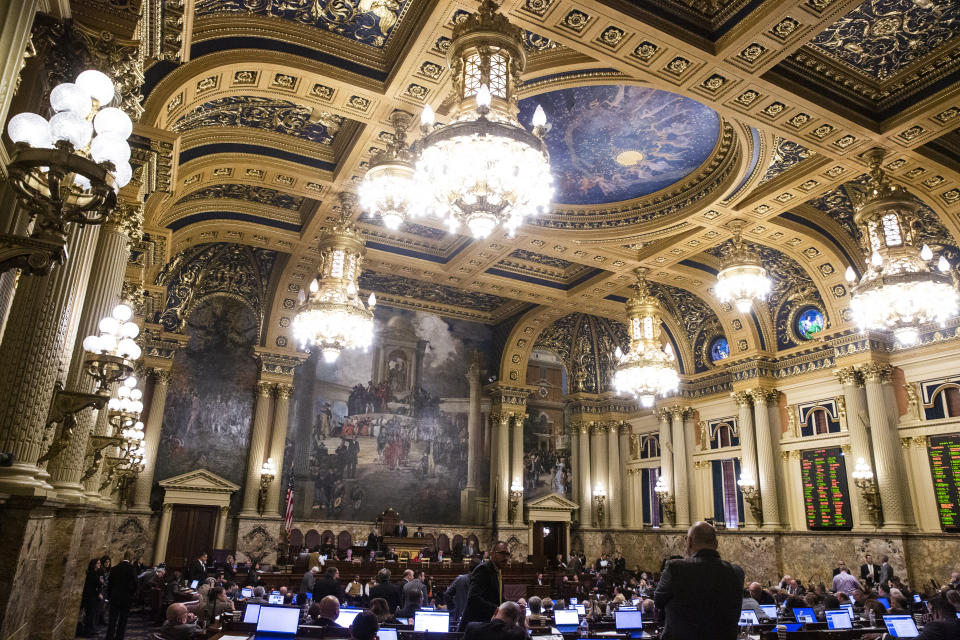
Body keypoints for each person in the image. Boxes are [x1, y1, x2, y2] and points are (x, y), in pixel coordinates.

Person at [653, 521, 745, 640]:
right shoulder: (736, 572)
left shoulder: (675, 568)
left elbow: (658, 601)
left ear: (690, 541)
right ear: (716, 543)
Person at [458, 541, 510, 631]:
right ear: (492, 554)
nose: (505, 557)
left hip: (486, 626)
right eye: (502, 553)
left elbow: (498, 599)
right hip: (475, 628)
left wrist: (512, 606)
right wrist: (497, 610)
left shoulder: (498, 572)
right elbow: (473, 598)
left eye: (508, 554)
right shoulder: (483, 569)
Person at [106, 550, 139, 640]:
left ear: (124, 556)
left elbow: (110, 584)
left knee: (112, 619)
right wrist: (132, 594)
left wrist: (109, 596)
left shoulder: (115, 568)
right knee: (123, 620)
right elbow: (136, 584)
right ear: (131, 558)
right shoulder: (132, 569)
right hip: (126, 598)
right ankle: (119, 637)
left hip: (115, 597)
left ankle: (109, 637)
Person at [80, 558, 103, 637]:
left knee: (92, 615)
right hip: (90, 598)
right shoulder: (91, 574)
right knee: (89, 616)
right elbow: (98, 584)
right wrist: (99, 584)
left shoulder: (94, 573)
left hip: (93, 597)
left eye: (100, 563)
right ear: (94, 565)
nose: (100, 564)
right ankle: (87, 632)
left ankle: (90, 630)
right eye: (98, 563)